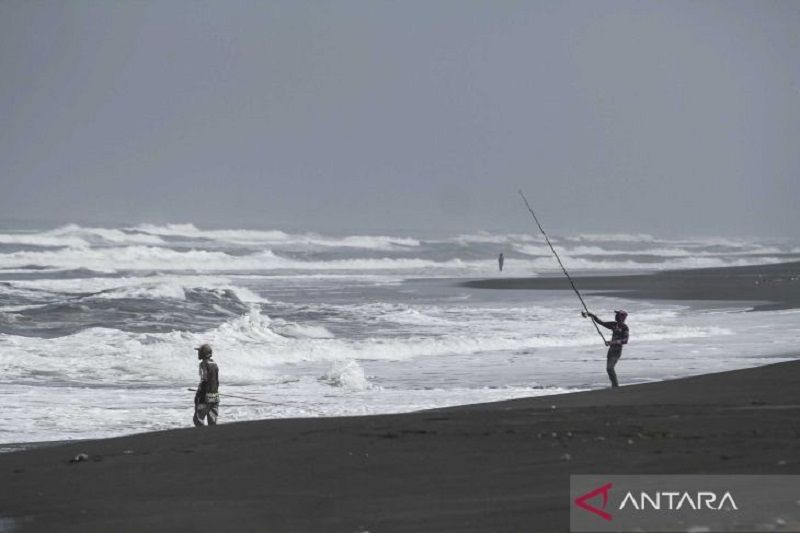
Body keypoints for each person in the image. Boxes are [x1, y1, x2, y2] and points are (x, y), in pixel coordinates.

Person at [583, 310, 629, 387]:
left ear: (623, 317)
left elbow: (625, 340)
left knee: (610, 368)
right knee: (608, 369)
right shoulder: (614, 324)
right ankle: (614, 385)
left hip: (617, 351)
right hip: (611, 351)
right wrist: (592, 315)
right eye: (617, 314)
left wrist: (612, 342)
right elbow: (601, 322)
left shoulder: (625, 328)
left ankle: (615, 385)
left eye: (619, 315)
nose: (616, 316)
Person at [193, 343, 220, 426]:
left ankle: (202, 437)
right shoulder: (215, 364)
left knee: (198, 419)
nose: (198, 353)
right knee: (212, 422)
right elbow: (216, 381)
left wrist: (198, 395)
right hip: (215, 396)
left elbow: (204, 380)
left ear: (204, 353)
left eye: (200, 352)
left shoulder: (203, 364)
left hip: (205, 397)